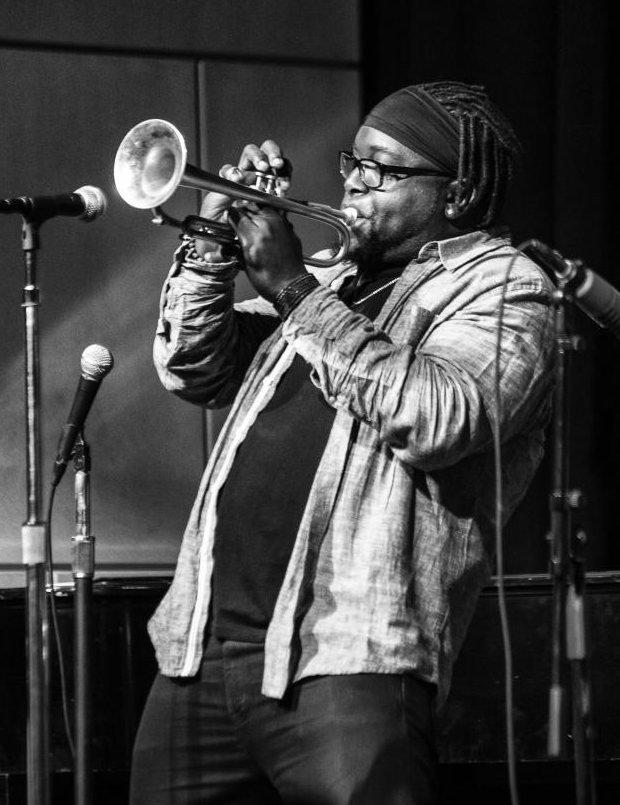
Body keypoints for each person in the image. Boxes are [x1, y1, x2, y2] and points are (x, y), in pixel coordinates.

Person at [129, 81, 555, 804]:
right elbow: (192, 368)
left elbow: (439, 416)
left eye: (383, 170)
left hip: (350, 657)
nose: (355, 181)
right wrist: (210, 240)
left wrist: (295, 290)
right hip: (201, 649)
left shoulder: (509, 288)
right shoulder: (333, 277)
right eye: (353, 161)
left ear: (454, 195)